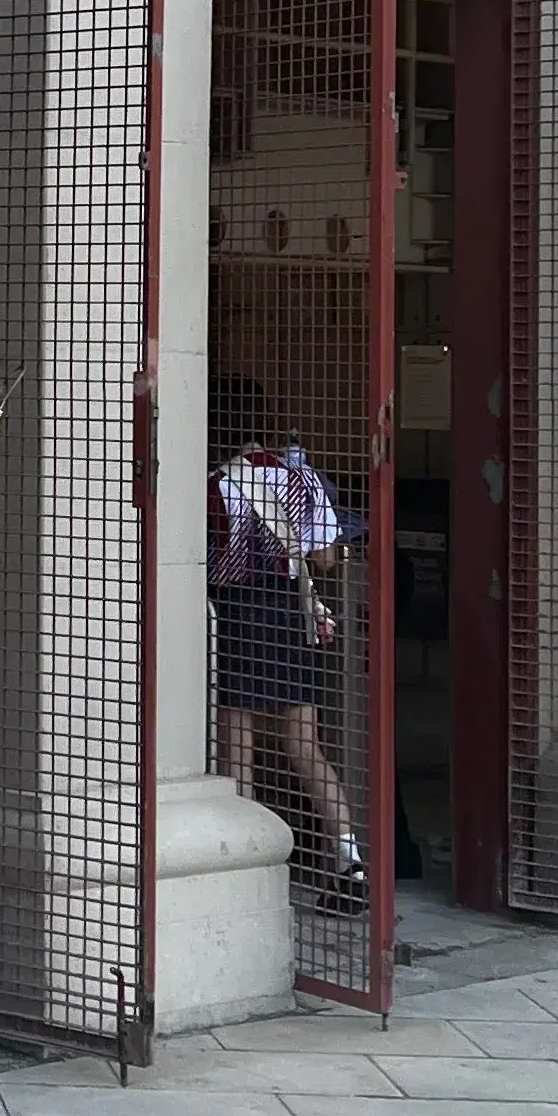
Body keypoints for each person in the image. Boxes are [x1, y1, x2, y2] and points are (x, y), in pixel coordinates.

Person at [209, 381, 364, 897]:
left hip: (236, 616)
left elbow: (210, 562)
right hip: (291, 614)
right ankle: (350, 861)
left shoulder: (214, 482)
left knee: (238, 747)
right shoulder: (304, 479)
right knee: (305, 745)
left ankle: (248, 873)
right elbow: (322, 558)